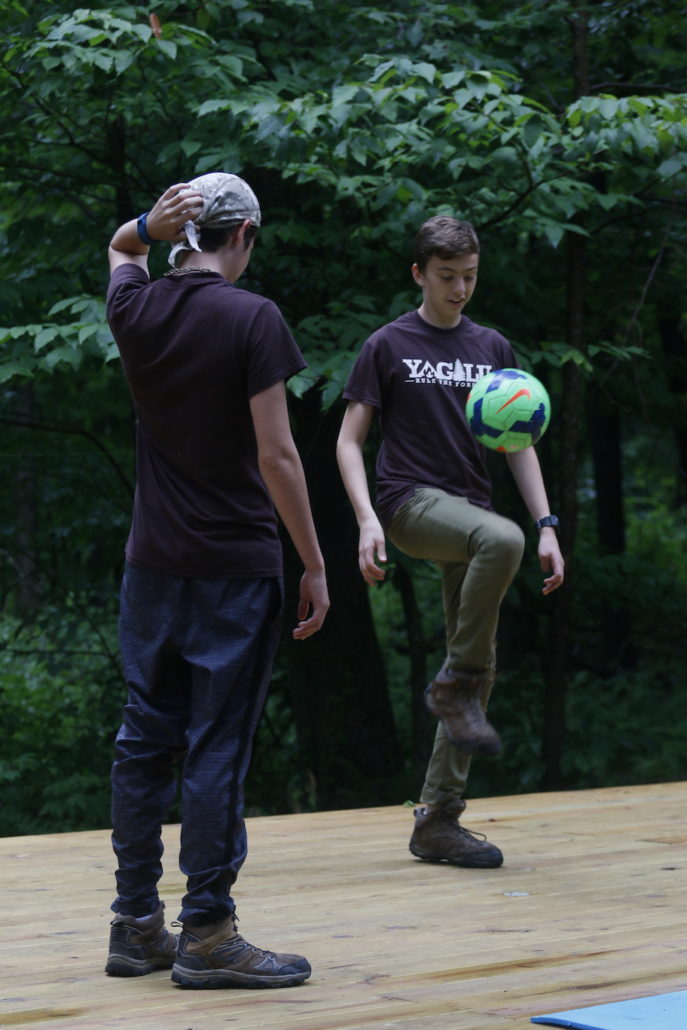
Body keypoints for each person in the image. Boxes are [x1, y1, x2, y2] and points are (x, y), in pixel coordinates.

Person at [104, 172, 329, 989]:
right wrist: (313, 562)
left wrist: (145, 225)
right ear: (244, 236)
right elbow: (276, 455)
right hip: (232, 568)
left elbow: (120, 250)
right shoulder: (252, 318)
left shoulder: (136, 309)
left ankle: (135, 924)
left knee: (144, 741)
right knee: (214, 747)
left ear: (185, 233)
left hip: (150, 568)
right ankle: (206, 934)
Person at [336, 215, 563, 869]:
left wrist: (547, 525)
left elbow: (518, 443)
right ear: (418, 274)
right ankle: (454, 684)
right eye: (446, 277)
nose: (459, 289)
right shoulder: (387, 344)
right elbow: (348, 441)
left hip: (470, 517)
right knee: (500, 543)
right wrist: (366, 519)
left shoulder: (491, 346)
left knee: (479, 665)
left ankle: (437, 819)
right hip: (408, 503)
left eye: (469, 276)